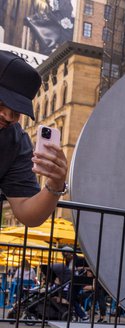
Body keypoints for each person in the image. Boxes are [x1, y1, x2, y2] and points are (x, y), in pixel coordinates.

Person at [0, 51, 70, 228]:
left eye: (16, 111)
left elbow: (28, 213)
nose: (8, 116)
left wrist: (55, 184)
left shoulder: (16, 141)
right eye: (1, 103)